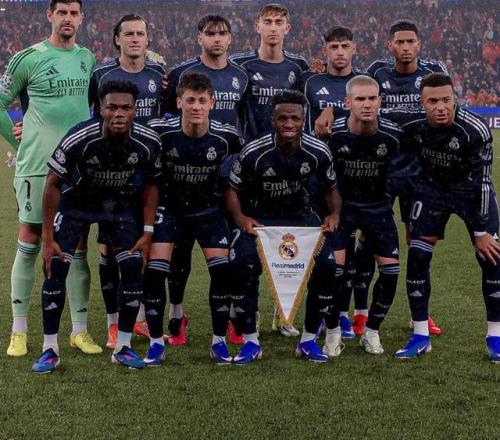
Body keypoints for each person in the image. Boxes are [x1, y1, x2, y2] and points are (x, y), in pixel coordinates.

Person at [31, 80, 162, 373]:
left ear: (135, 110)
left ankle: (122, 347)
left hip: (120, 206)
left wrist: (148, 231)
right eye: (112, 107)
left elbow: (152, 186)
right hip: (76, 203)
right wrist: (48, 238)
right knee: (56, 266)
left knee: (132, 267)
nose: (119, 114)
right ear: (100, 109)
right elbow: (52, 184)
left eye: (126, 108)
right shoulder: (79, 137)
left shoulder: (148, 141)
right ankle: (49, 349)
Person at [0, 0, 100, 357]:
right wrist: (19, 141)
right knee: (29, 238)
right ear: (50, 16)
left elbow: (94, 106)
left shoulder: (87, 59)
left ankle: (80, 331)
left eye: (74, 13)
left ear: (81, 18)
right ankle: (19, 331)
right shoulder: (28, 58)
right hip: (37, 166)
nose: (68, 19)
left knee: (78, 246)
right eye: (62, 12)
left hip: (77, 170)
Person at [388, 73, 500, 362]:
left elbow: (484, 182)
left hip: (471, 194)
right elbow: (374, 112)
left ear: (455, 99)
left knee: (492, 259)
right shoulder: (410, 122)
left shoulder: (475, 129)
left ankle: (495, 337)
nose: (440, 107)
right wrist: (330, 114)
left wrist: (482, 231)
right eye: (433, 101)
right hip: (432, 193)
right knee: (417, 257)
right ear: (422, 103)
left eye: (446, 100)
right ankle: (421, 336)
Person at [226, 90, 341, 364]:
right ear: (273, 120)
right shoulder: (254, 152)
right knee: (242, 264)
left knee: (327, 266)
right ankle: (251, 341)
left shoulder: (318, 151)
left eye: (295, 118)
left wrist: (334, 214)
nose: (289, 123)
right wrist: (241, 218)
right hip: (261, 219)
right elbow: (232, 189)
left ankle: (308, 340)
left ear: (303, 119)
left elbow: (331, 188)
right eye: (283, 118)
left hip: (300, 218)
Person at [144, 72, 241, 365]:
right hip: (170, 209)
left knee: (222, 273)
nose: (196, 107)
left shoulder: (227, 136)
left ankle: (218, 342)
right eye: (190, 100)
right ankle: (156, 343)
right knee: (156, 272)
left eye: (201, 100)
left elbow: (245, 166)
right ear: (179, 102)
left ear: (212, 103)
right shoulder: (160, 131)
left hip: (208, 211)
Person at [162, 15, 248, 346]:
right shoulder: (180, 74)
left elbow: (244, 121)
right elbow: (166, 118)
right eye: (210, 33)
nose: (216, 39)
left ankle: (233, 317)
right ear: (199, 37)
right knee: (179, 256)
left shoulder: (240, 75)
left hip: (225, 182)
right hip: (185, 179)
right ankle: (176, 315)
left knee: (230, 255)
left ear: (230, 38)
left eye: (222, 33)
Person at [230, 3, 309, 336]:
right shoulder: (241, 66)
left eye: (279, 22)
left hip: (289, 168)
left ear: (287, 28)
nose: (273, 27)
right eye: (268, 22)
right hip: (252, 166)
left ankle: (283, 313)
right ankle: (250, 313)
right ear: (257, 26)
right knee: (251, 245)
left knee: (286, 243)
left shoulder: (299, 67)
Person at [88, 13, 167, 348]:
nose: (135, 38)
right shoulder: (101, 74)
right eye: (129, 34)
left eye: (141, 33)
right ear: (117, 39)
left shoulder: (158, 75)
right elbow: (92, 119)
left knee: (143, 246)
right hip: (112, 172)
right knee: (108, 247)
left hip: (147, 171)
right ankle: (112, 323)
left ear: (148, 39)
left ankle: (138, 319)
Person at [327, 75, 402, 355]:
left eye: (372, 98)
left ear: (380, 101)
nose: (367, 104)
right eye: (360, 99)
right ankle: (333, 331)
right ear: (347, 103)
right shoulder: (332, 134)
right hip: (343, 209)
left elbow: (404, 174)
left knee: (391, 271)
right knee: (334, 271)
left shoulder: (393, 136)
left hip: (377, 209)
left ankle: (372, 332)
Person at [298, 25, 362, 339]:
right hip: (317, 179)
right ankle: (319, 312)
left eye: (344, 46)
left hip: (352, 177)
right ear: (325, 50)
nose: (339, 52)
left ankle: (341, 313)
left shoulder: (363, 83)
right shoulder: (310, 81)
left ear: (354, 49)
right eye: (333, 46)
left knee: (345, 250)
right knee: (320, 250)